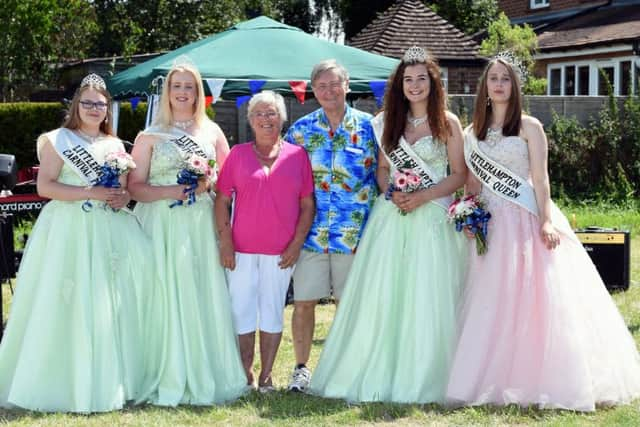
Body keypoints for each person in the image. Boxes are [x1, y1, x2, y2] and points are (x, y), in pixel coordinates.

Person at [445, 54, 640, 411]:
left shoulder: (530, 126)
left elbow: (541, 178)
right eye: (493, 78)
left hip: (526, 218)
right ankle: (494, 378)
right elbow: (472, 181)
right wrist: (467, 210)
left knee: (535, 300)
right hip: (490, 223)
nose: (499, 84)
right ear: (484, 86)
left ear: (515, 86)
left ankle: (544, 376)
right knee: (492, 301)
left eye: (506, 78)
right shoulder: (473, 132)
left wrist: (546, 220)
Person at [309, 47, 468, 403]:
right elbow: (382, 169)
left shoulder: (448, 122)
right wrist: (392, 191)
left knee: (426, 294)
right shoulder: (386, 121)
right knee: (385, 295)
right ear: (399, 85)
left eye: (421, 79)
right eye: (408, 80)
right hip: (391, 216)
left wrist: (423, 196)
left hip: (431, 217)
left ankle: (425, 374)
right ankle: (378, 366)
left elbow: (459, 174)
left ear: (433, 82)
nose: (414, 86)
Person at [0, 74, 150, 412]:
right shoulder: (58, 140)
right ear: (76, 106)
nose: (95, 109)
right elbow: (46, 187)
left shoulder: (115, 145)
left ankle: (109, 379)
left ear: (107, 108)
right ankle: (60, 380)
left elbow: (123, 191)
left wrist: (120, 197)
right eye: (88, 103)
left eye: (101, 104)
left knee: (107, 303)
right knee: (66, 298)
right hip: (68, 228)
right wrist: (91, 192)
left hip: (108, 231)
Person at [128, 61, 247, 406]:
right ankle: (162, 370)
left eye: (189, 86)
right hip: (160, 223)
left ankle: (205, 369)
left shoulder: (212, 133)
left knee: (200, 292)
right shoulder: (149, 135)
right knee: (162, 292)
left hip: (199, 224)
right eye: (177, 86)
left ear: (198, 92)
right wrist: (170, 192)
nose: (183, 92)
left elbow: (227, 184)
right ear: (167, 93)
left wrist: (206, 182)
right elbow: (135, 187)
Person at [284, 59, 378, 392]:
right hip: (310, 235)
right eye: (321, 86)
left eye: (334, 84)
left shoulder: (371, 127)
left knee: (349, 304)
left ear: (347, 85)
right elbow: (286, 183)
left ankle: (348, 367)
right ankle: (300, 369)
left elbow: (384, 177)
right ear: (313, 90)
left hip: (355, 234)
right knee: (304, 302)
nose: (328, 91)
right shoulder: (299, 131)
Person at [215, 90, 315, 393]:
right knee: (241, 311)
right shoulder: (238, 154)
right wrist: (226, 242)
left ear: (282, 118)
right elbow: (221, 201)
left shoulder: (297, 156)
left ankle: (267, 376)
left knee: (272, 311)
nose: (265, 119)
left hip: (281, 252)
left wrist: (296, 243)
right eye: (259, 113)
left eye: (271, 113)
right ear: (250, 120)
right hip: (241, 251)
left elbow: (307, 204)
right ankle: (245, 374)